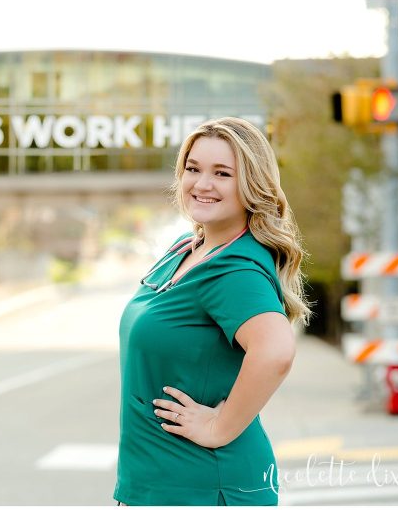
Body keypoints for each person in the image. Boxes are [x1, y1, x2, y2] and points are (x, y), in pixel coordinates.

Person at [115, 117, 310, 508]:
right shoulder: (185, 249)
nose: (202, 184)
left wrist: (219, 427)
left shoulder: (234, 269)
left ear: (251, 185)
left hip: (203, 486)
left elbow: (275, 351)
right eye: (193, 168)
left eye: (222, 173)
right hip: (157, 484)